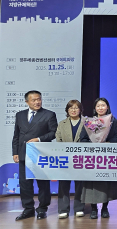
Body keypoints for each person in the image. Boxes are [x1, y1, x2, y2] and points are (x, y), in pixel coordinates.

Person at [12, 90, 58, 221]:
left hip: (40, 153)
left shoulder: (49, 114)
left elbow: (54, 132)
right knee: (25, 183)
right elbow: (16, 135)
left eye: (39, 99)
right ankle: (28, 209)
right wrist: (15, 152)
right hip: (23, 153)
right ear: (27, 102)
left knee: (43, 183)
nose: (37, 102)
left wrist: (39, 139)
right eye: (34, 100)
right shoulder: (20, 115)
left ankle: (42, 209)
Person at [79, 97, 117, 219]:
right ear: (95, 108)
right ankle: (93, 208)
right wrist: (93, 145)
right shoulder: (89, 122)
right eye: (98, 106)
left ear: (107, 107)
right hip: (92, 158)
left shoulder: (114, 122)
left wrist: (106, 144)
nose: (100, 108)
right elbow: (83, 138)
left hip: (108, 157)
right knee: (92, 183)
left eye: (103, 105)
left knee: (106, 183)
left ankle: (105, 208)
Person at [55, 100, 86, 219]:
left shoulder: (87, 122)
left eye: (76, 108)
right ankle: (63, 209)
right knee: (63, 183)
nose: (73, 110)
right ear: (67, 110)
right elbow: (58, 139)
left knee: (80, 183)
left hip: (81, 157)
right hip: (65, 157)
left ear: (80, 110)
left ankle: (79, 208)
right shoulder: (62, 124)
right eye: (71, 108)